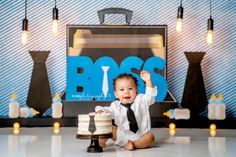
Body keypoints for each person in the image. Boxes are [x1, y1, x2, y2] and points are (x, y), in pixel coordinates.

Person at [95, 70, 157, 150]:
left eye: (130, 88)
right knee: (108, 127)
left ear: (136, 91)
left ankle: (134, 144)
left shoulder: (141, 100)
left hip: (140, 136)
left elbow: (150, 96)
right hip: (121, 136)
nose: (126, 92)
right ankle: (101, 142)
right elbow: (106, 110)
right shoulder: (115, 105)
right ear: (116, 94)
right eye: (121, 90)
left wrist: (148, 81)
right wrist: (100, 111)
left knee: (150, 137)